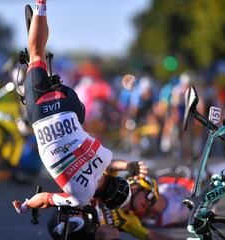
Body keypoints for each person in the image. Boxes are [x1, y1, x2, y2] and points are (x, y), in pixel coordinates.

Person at [12, 0, 140, 214]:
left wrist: (127, 166)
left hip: (69, 105)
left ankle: (41, 5)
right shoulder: (79, 198)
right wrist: (25, 206)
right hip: (41, 115)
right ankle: (33, 77)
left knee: (38, 55)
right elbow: (43, 198)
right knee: (35, 55)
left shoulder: (106, 156)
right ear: (100, 202)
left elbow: (109, 166)